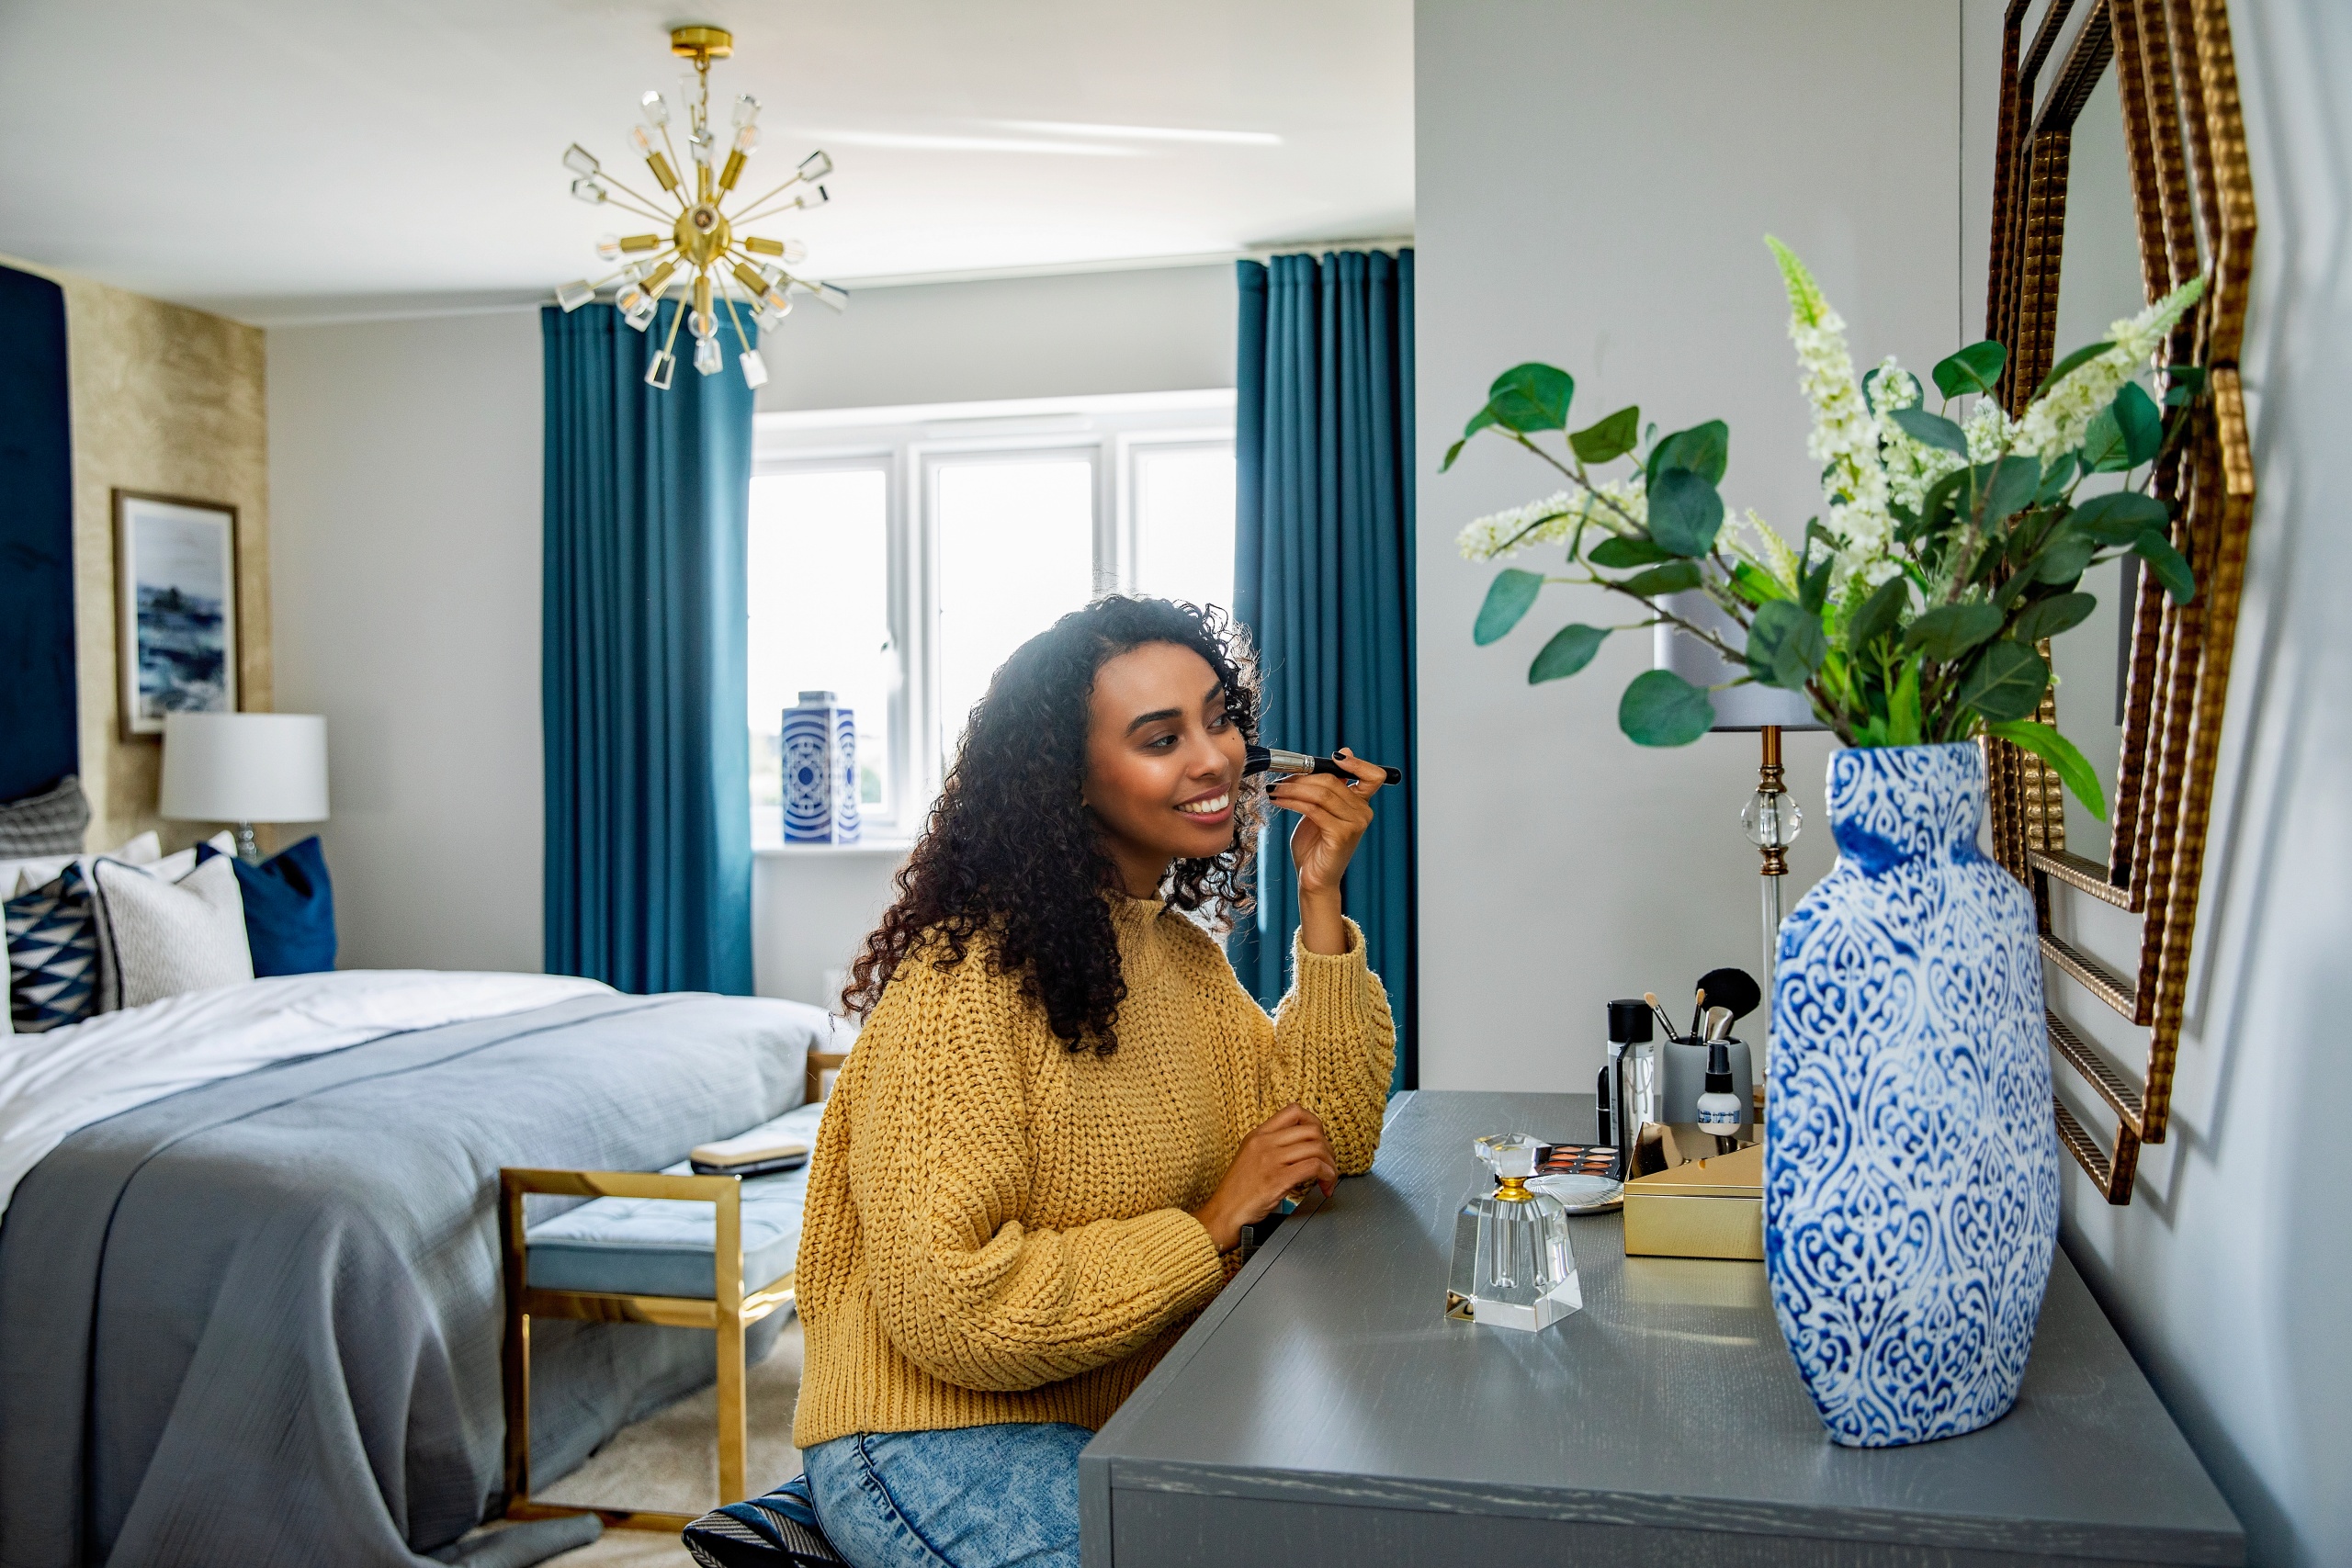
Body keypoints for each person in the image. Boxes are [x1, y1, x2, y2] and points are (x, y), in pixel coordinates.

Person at [790, 596, 1396, 1568]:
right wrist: (1203, 1229)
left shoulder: (1180, 961)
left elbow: (1330, 1145)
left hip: (1116, 1423)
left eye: (1220, 717)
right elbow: (950, 1308)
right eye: (1161, 739)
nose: (1214, 758)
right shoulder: (965, 978)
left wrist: (1321, 898)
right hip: (934, 1438)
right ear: (1064, 780)